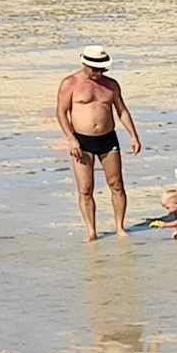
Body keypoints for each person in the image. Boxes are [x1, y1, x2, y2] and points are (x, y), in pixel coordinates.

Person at [54, 46, 144, 240]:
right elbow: (61, 112)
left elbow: (122, 111)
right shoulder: (70, 83)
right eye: (95, 69)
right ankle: (91, 231)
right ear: (85, 64)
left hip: (108, 138)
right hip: (81, 141)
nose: (98, 73)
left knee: (116, 185)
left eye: (102, 69)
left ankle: (120, 227)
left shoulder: (111, 85)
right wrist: (71, 139)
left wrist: (134, 136)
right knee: (85, 189)